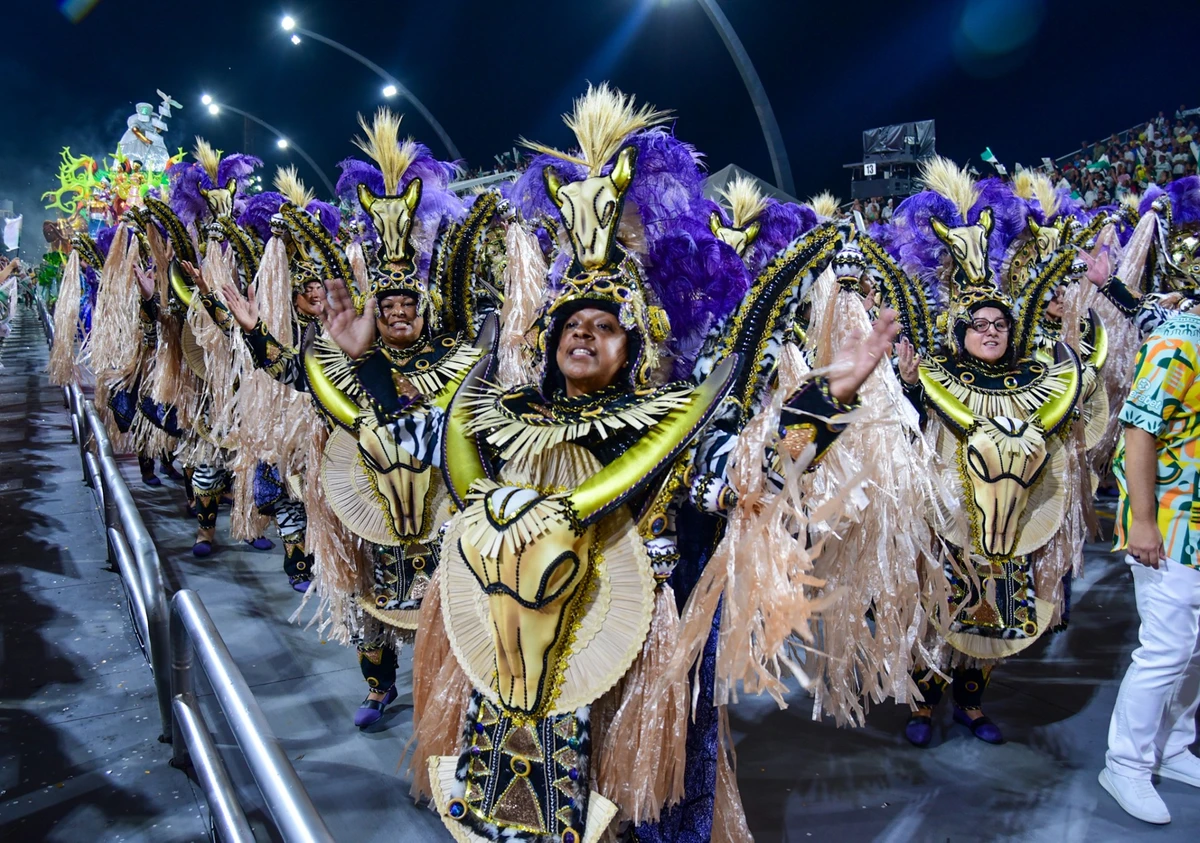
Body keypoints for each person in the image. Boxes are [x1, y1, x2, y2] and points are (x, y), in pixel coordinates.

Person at [1100, 305, 1200, 825]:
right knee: (1166, 649)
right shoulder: (1179, 340)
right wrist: (1142, 520)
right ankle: (1126, 765)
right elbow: (1137, 432)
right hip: (1171, 526)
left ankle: (1173, 748)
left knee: (1195, 652)